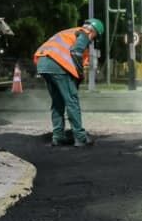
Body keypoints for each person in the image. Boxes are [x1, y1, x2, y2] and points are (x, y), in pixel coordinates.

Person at [33, 19, 104, 147]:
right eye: (95, 36)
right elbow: (76, 52)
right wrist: (80, 74)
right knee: (72, 101)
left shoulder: (70, 32)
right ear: (93, 31)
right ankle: (80, 137)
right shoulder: (84, 33)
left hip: (43, 63)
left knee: (58, 101)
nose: (93, 40)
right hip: (56, 64)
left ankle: (58, 136)